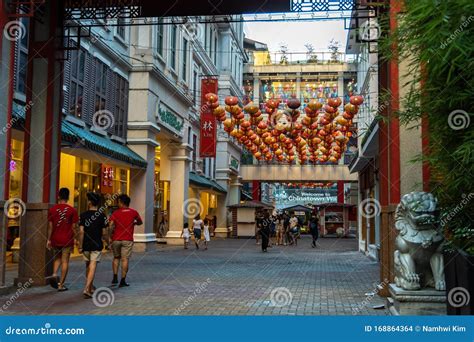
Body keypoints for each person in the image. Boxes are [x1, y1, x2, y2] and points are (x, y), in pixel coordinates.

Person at [46, 188, 79, 291]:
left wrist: (48, 239)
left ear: (58, 196)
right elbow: (74, 227)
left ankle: (54, 274)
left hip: (55, 238)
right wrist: (77, 238)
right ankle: (61, 285)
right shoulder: (72, 210)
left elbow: (50, 227)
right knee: (65, 261)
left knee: (57, 258)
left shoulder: (52, 210)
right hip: (67, 239)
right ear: (68, 197)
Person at [108, 194, 143, 287]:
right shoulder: (133, 212)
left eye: (118, 201)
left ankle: (115, 277)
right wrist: (134, 223)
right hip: (127, 239)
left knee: (116, 258)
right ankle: (123, 280)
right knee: (125, 259)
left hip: (116, 239)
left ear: (121, 202)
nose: (118, 203)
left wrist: (110, 236)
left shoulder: (115, 213)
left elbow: (111, 225)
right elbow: (140, 222)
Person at [78, 192, 107, 298]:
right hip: (96, 244)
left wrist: (80, 245)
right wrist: (107, 241)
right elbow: (104, 233)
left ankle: (89, 288)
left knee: (88, 265)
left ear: (90, 202)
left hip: (86, 244)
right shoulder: (102, 215)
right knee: (93, 265)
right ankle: (87, 288)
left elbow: (81, 231)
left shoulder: (83, 215)